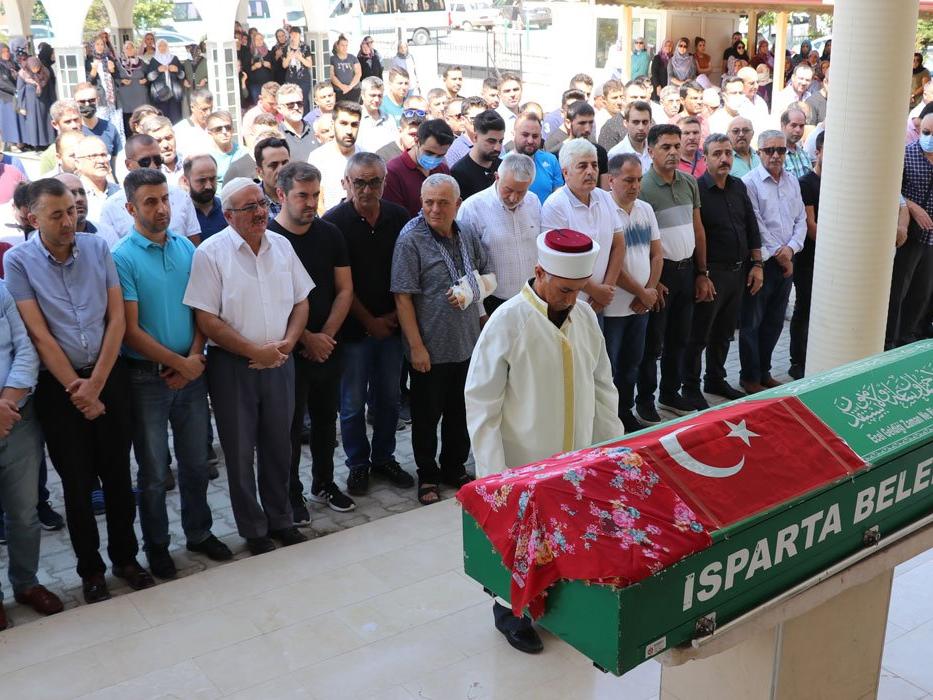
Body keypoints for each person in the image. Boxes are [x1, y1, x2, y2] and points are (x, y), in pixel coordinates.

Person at [464, 226, 621, 654]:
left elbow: (603, 385)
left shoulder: (584, 318)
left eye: (578, 290)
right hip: (523, 459)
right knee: (520, 541)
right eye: (564, 289)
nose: (571, 299)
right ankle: (509, 612)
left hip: (576, 454)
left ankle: (556, 607)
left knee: (566, 535)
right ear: (539, 272)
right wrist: (494, 475)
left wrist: (609, 447)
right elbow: (482, 402)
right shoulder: (508, 321)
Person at [6, 178, 153, 603]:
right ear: (33, 218)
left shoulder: (97, 247)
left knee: (119, 476)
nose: (69, 221)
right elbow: (38, 334)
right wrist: (79, 390)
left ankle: (127, 559)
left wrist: (97, 384)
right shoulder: (18, 261)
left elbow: (117, 320)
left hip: (109, 377)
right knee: (76, 483)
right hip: (60, 389)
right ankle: (91, 571)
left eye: (71, 210)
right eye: (57, 215)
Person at [112, 168, 232, 579]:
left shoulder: (186, 248)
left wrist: (193, 357)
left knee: (197, 462)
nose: (161, 208)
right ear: (131, 208)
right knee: (153, 472)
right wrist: (179, 364)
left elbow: (203, 308)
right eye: (150, 202)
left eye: (164, 199)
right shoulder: (121, 257)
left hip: (190, 370)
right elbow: (129, 330)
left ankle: (199, 533)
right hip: (146, 378)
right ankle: (158, 546)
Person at [183, 177, 312, 555]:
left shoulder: (282, 245)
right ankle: (254, 529)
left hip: (281, 360)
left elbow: (301, 301)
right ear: (228, 215)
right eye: (249, 207)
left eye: (262, 203)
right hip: (233, 366)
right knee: (239, 453)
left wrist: (288, 342)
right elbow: (207, 320)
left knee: (279, 446)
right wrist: (254, 351)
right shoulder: (210, 253)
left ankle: (281, 519)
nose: (260, 212)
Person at [264, 162, 355, 523]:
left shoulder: (330, 234)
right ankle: (291, 491)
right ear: (281, 194)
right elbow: (270, 300)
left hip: (328, 346)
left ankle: (324, 481)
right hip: (288, 349)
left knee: (325, 419)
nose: (310, 203)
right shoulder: (269, 239)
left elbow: (344, 289)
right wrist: (304, 339)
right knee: (289, 427)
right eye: (302, 195)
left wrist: (325, 337)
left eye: (315, 194)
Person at [391, 174, 490, 506]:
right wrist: (416, 346)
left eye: (443, 203)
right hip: (430, 348)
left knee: (460, 412)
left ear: (457, 205)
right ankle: (427, 474)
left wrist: (479, 316)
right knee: (426, 416)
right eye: (428, 202)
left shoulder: (467, 234)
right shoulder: (411, 240)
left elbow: (481, 276)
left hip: (467, 342)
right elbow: (403, 297)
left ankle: (454, 467)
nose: (434, 209)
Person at [0, 266, 66, 630]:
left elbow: (26, 350)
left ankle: (26, 583)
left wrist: (7, 404)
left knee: (24, 511)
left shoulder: (1, 291)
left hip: (18, 418)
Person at [634, 123, 708, 425]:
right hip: (661, 277)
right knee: (653, 343)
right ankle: (645, 400)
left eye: (677, 146)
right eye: (666, 147)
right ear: (651, 151)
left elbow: (698, 229)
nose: (674, 152)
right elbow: (641, 242)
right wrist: (655, 280)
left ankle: (670, 393)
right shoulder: (643, 187)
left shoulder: (689, 182)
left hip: (687, 271)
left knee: (680, 337)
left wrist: (702, 272)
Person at [683, 133, 763, 409]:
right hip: (711, 274)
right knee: (699, 335)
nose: (724, 159)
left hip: (738, 273)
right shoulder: (697, 190)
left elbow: (751, 226)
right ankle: (690, 387)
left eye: (728, 153)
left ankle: (715, 379)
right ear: (704, 158)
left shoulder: (738, 186)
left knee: (724, 332)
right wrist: (701, 274)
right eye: (717, 154)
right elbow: (695, 235)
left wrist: (757, 264)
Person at [740, 129, 806, 393]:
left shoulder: (792, 181)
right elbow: (756, 224)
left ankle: (764, 371)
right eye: (769, 150)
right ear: (759, 153)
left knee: (775, 321)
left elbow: (801, 219)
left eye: (781, 150)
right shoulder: (749, 183)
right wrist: (781, 253)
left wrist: (791, 249)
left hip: (787, 260)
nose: (776, 155)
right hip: (763, 263)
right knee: (752, 323)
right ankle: (750, 377)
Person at [602, 154, 662, 431]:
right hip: (614, 308)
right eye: (628, 180)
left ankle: (625, 412)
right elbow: (611, 264)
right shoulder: (604, 211)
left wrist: (649, 291)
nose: (635, 186)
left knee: (632, 364)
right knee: (610, 368)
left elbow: (657, 254)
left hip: (641, 306)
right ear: (611, 180)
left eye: (638, 180)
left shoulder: (645, 209)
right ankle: (608, 419)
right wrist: (642, 292)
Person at [541, 138, 626, 320]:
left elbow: (619, 245)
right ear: (565, 172)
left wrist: (607, 289)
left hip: (600, 300)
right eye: (582, 166)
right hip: (568, 303)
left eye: (594, 165)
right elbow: (560, 261)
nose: (590, 171)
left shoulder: (605, 198)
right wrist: (595, 291)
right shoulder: (555, 206)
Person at [458, 152, 541, 314]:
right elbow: (466, 263)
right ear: (497, 177)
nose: (513, 198)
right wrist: (481, 312)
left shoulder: (533, 202)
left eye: (521, 192)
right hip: (492, 301)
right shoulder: (472, 208)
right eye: (508, 190)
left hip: (531, 297)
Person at [97, 133, 201, 248]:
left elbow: (193, 246)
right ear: (128, 165)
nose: (153, 166)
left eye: (157, 160)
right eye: (145, 161)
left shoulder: (181, 197)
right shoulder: (111, 207)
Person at [887, 112, 933, 349]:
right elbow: (891, 190)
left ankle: (908, 339)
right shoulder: (906, 154)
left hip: (931, 240)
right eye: (925, 132)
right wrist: (913, 208)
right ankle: (889, 342)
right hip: (909, 236)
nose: (928, 138)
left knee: (922, 292)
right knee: (899, 291)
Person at [789, 130, 824, 379]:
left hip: (831, 260)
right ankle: (797, 361)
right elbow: (811, 226)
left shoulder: (840, 183)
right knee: (804, 310)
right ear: (817, 152)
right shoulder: (806, 183)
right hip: (809, 259)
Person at [384, 118, 454, 218]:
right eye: (429, 153)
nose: (434, 159)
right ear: (417, 141)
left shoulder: (443, 170)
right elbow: (395, 217)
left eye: (440, 155)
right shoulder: (393, 172)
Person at [309, 101, 362, 213]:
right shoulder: (318, 157)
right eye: (343, 123)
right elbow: (317, 202)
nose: (349, 131)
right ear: (333, 125)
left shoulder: (366, 157)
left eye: (354, 125)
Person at [450, 109, 505, 201]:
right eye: (491, 141)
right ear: (475, 137)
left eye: (501, 141)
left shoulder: (503, 167)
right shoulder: (458, 173)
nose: (497, 148)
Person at [511, 113, 563, 204]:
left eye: (535, 136)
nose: (530, 141)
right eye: (525, 135)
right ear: (513, 135)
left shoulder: (551, 160)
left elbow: (559, 199)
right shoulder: (502, 164)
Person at [74, 82, 122, 171]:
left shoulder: (110, 129)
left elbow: (118, 161)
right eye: (82, 102)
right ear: (75, 103)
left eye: (91, 100)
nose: (87, 104)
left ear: (97, 100)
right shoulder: (73, 131)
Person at [74, 135, 120, 223]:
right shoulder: (73, 197)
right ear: (78, 163)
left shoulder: (119, 192)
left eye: (104, 155)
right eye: (93, 156)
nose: (101, 161)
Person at [181, 153, 225, 240]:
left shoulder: (227, 209)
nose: (208, 186)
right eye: (202, 180)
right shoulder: (180, 215)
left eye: (212, 179)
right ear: (186, 181)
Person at [16, 56, 54, 150]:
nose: (35, 70)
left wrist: (53, 101)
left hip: (44, 102)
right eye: (33, 68)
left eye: (37, 67)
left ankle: (46, 143)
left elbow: (50, 88)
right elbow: (20, 90)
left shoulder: (45, 72)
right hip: (30, 103)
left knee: (44, 123)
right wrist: (22, 106)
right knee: (33, 123)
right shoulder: (23, 74)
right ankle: (35, 144)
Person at [85, 37, 120, 137]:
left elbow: (117, 77)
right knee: (103, 122)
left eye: (102, 44)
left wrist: (112, 70)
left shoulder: (109, 58)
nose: (100, 47)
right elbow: (89, 81)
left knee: (116, 123)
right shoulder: (89, 60)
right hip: (100, 96)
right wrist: (94, 70)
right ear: (92, 46)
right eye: (97, 44)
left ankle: (118, 143)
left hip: (113, 96)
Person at [607, 100, 653, 173]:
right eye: (635, 122)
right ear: (626, 123)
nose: (641, 127)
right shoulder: (616, 154)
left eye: (645, 122)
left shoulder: (656, 150)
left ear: (650, 123)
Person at [137, 115, 184, 185]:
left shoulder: (190, 162)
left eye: (168, 138)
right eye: (158, 141)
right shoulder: (145, 174)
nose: (165, 145)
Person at [146, 40, 185, 124]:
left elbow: (182, 75)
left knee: (176, 118)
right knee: (162, 118)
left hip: (174, 93)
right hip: (160, 93)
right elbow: (149, 78)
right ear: (157, 48)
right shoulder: (154, 60)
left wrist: (177, 70)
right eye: (160, 46)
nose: (162, 48)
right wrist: (158, 70)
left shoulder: (174, 59)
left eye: (164, 45)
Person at [274, 83, 315, 162]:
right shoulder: (277, 136)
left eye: (299, 103)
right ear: (279, 109)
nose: (296, 107)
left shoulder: (315, 130)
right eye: (290, 105)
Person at [357, 77, 399, 153]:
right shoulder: (355, 118)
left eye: (380, 96)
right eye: (372, 95)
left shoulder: (389, 119)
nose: (377, 100)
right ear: (363, 95)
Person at [206, 110, 247, 186]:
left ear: (233, 130)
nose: (224, 132)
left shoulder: (243, 153)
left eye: (228, 127)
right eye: (219, 129)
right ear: (210, 133)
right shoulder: (206, 157)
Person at [444, 96, 487, 168]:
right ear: (463, 120)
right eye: (474, 119)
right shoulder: (453, 151)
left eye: (485, 118)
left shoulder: (495, 143)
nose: (480, 123)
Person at [173, 87, 214, 160]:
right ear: (192, 107)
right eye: (204, 109)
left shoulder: (216, 127)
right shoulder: (179, 130)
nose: (209, 113)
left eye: (211, 108)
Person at [283, 27, 314, 115]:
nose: (294, 36)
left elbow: (309, 64)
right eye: (292, 34)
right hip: (291, 78)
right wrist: (289, 57)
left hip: (303, 78)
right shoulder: (286, 48)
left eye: (296, 34)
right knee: (292, 99)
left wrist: (300, 57)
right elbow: (284, 65)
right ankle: (294, 117)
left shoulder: (305, 47)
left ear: (300, 35)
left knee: (303, 100)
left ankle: (305, 118)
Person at [330, 34, 362, 104]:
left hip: (354, 90)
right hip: (339, 91)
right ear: (337, 46)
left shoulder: (353, 58)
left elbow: (358, 73)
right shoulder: (332, 59)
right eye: (342, 45)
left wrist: (349, 87)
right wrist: (342, 86)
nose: (345, 48)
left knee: (353, 110)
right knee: (340, 109)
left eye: (346, 45)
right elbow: (331, 75)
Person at [245, 33, 274, 105]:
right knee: (258, 105)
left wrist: (270, 66)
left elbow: (276, 68)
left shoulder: (269, 53)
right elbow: (245, 69)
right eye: (257, 39)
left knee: (269, 105)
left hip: (268, 84)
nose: (259, 41)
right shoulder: (249, 54)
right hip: (255, 84)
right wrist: (254, 67)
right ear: (253, 41)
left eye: (261, 39)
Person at [495, 73, 523, 142]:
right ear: (499, 94)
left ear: (521, 90)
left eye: (515, 89)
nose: (512, 94)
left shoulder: (527, 115)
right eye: (507, 91)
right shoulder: (494, 118)